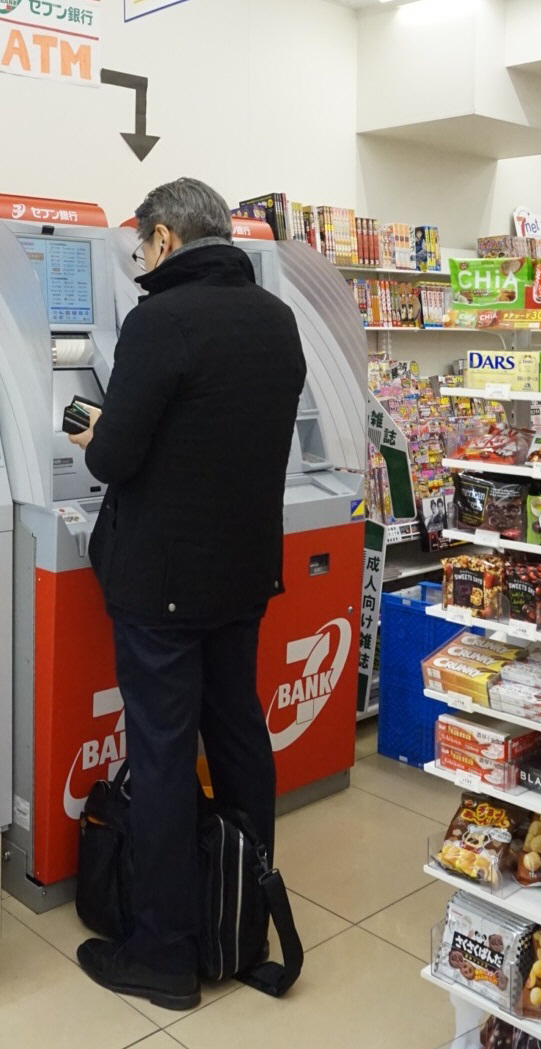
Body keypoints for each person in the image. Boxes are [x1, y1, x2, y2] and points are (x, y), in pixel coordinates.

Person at [70, 178, 307, 1010]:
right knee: (238, 729)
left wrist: (93, 430)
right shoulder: (275, 320)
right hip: (243, 574)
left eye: (140, 245)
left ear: (165, 238)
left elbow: (111, 460)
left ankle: (165, 953)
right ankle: (239, 924)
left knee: (165, 753)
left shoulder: (159, 321)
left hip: (163, 584)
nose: (139, 259)